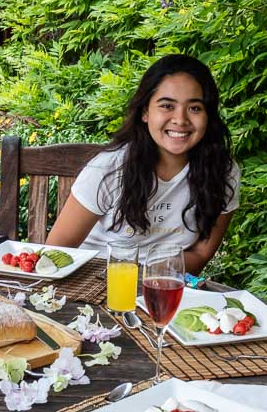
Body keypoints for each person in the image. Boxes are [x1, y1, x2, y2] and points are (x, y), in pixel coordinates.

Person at [45, 54, 240, 274]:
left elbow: (200, 254)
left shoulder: (222, 172)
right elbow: (56, 252)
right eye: (167, 106)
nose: (180, 119)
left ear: (209, 115)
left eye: (195, 108)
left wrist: (151, 279)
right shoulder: (109, 170)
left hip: (165, 287)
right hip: (91, 284)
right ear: (145, 112)